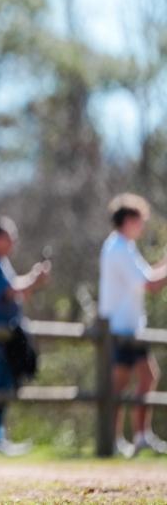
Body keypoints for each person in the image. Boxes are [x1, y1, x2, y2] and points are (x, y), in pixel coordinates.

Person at [0, 216, 51, 454]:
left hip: (6, 338)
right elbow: (9, 291)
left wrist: (33, 282)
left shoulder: (0, 262)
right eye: (9, 236)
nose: (13, 241)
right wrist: (33, 278)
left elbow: (17, 293)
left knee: (4, 386)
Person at [99, 193, 167, 456]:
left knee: (147, 376)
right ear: (128, 220)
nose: (143, 225)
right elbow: (150, 284)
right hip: (120, 329)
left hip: (131, 327)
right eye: (140, 220)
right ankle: (113, 440)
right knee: (119, 385)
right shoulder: (118, 248)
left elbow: (148, 276)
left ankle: (140, 436)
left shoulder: (124, 247)